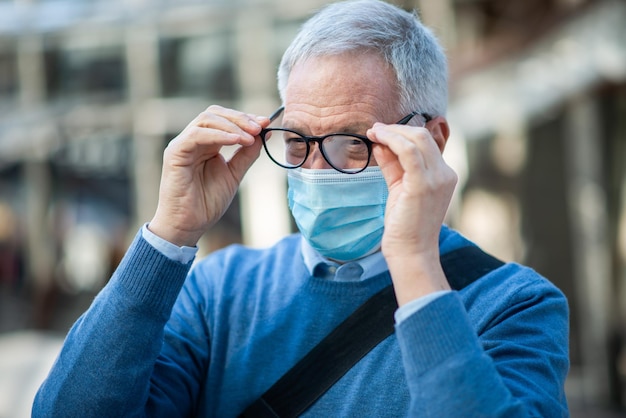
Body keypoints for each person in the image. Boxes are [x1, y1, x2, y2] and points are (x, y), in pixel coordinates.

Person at [32, 0, 569, 416]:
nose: (316, 171)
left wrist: (415, 265)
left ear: (433, 141)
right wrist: (167, 236)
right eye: (296, 142)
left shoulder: (514, 304)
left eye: (354, 143)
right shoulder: (219, 292)